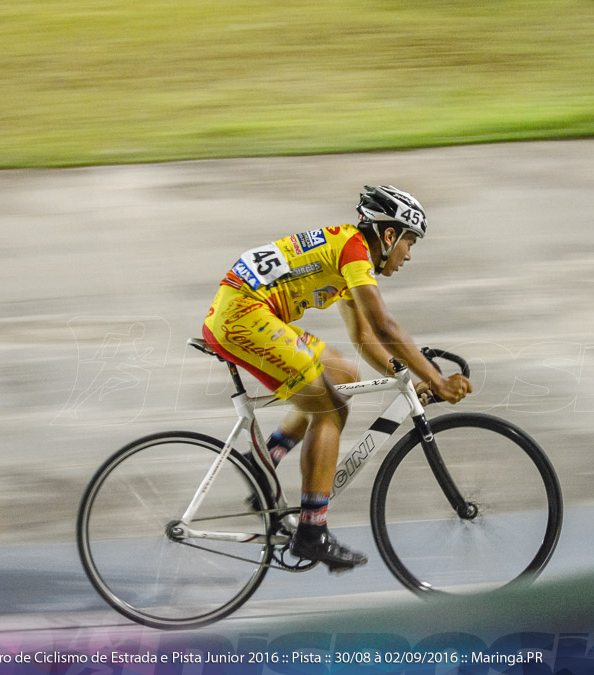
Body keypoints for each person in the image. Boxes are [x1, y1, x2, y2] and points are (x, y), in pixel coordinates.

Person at [202, 185, 472, 571]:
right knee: (331, 410)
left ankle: (265, 459)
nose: (409, 254)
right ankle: (312, 532)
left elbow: (364, 337)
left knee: (343, 372)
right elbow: (385, 327)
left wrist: (406, 380)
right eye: (409, 242)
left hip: (246, 309)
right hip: (243, 315)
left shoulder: (347, 250)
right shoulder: (354, 252)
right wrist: (437, 378)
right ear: (389, 235)